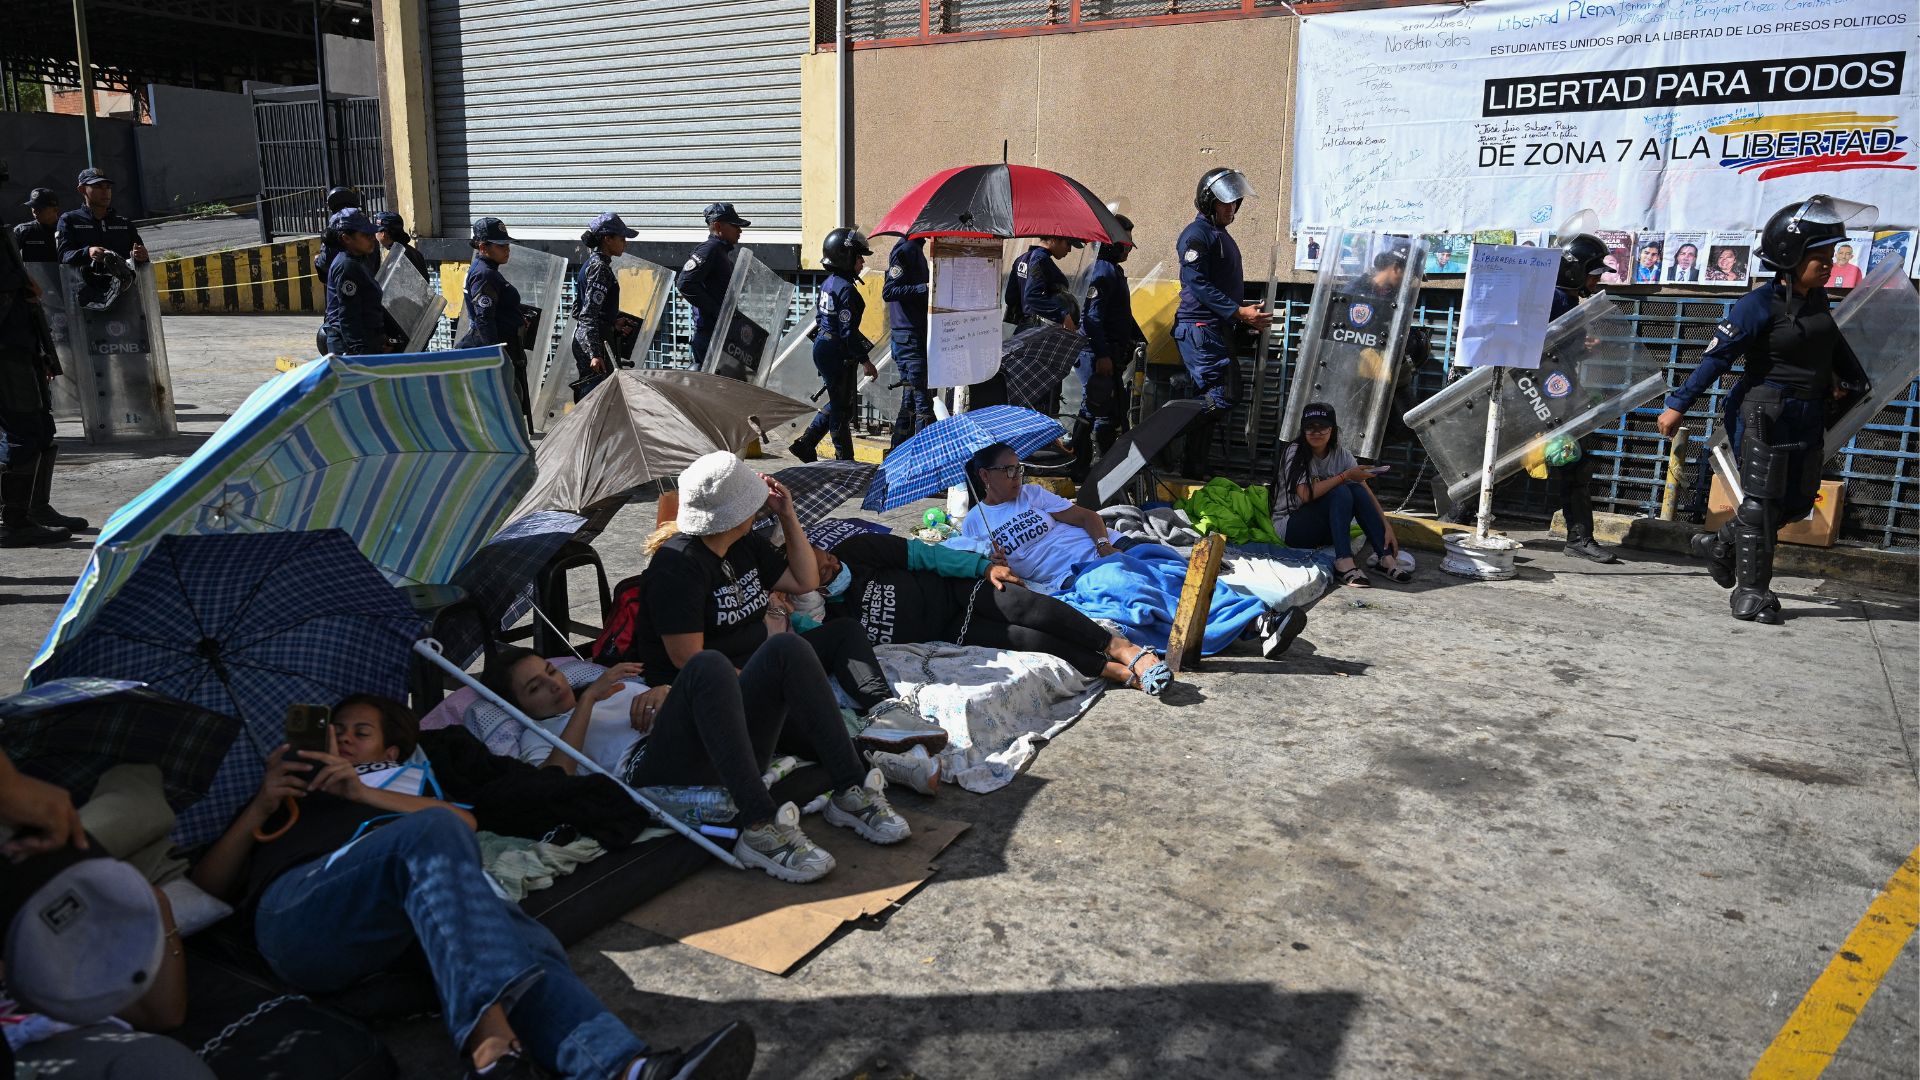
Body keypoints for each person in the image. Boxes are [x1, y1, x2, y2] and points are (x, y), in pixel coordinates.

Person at [188, 702, 756, 1079]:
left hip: (388, 932)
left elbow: (461, 825)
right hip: (301, 912)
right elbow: (206, 888)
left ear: (389, 753)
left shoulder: (400, 789)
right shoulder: (285, 795)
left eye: (360, 732)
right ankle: (489, 1049)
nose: (342, 739)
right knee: (472, 888)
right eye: (333, 731)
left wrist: (361, 793)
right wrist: (262, 804)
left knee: (517, 939)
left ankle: (625, 1068)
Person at [485, 645, 910, 884]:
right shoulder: (535, 735)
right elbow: (556, 779)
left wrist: (666, 691)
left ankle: (851, 790)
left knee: (786, 650)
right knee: (706, 664)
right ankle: (759, 827)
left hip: (717, 749)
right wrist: (588, 701)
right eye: (535, 687)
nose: (554, 684)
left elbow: (691, 704)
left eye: (551, 671)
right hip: (652, 774)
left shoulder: (617, 688)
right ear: (516, 706)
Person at [625, 452, 946, 749]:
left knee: (844, 631)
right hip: (715, 681)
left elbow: (805, 581)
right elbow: (689, 658)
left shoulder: (744, 543)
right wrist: (768, 682)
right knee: (811, 729)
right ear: (735, 515)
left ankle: (884, 710)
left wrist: (788, 515)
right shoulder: (678, 566)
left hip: (761, 660)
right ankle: (868, 751)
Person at [1657, 195, 1874, 624]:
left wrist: (1843, 381)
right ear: (1791, 257)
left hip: (1808, 413)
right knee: (1760, 503)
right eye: (1820, 256)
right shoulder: (1756, 305)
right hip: (1765, 411)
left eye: (1831, 254)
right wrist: (1678, 404)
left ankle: (1719, 545)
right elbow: (1717, 358)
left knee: (1794, 504)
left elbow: (1829, 347)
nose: (1829, 263)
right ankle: (1752, 593)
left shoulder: (1816, 301)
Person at [810, 533, 1169, 691]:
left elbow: (925, 555)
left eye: (828, 556)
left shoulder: (857, 550)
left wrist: (984, 568)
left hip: (954, 590)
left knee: (1025, 608)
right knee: (1027, 641)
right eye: (825, 571)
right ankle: (1107, 669)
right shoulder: (826, 619)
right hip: (949, 631)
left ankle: (1119, 646)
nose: (834, 564)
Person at [1174, 168, 1269, 477]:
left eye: (1235, 203)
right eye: (1225, 203)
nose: (1232, 209)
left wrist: (1242, 315)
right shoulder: (1196, 235)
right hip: (1200, 328)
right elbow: (1197, 282)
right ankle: (1164, 434)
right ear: (1208, 202)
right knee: (1225, 395)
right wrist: (1238, 312)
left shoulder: (1218, 234)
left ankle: (1193, 470)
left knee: (1211, 399)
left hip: (1216, 327)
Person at [0, 223, 83, 547]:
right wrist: (22, 283)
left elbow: (25, 298)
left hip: (23, 347)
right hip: (7, 353)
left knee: (41, 429)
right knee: (23, 433)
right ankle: (14, 521)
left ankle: (34, 509)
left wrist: (42, 351)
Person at [959, 442, 1122, 596]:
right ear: (985, 475)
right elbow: (981, 566)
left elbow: (1086, 517)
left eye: (1018, 468)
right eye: (1008, 470)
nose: (1016, 476)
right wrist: (992, 564)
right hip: (1070, 574)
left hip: (1106, 545)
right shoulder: (974, 522)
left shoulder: (1031, 493)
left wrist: (1103, 545)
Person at [1269, 402, 1401, 588]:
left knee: (1356, 489)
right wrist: (1344, 476)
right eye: (1310, 427)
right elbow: (1306, 495)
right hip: (1293, 528)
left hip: (1325, 530)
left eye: (1322, 427)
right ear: (1303, 430)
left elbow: (1365, 491)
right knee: (1340, 489)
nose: (1316, 433)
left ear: (1332, 429)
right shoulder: (1295, 451)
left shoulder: (1342, 454)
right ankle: (1343, 562)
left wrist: (1386, 526)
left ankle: (1385, 557)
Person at [792, 228, 877, 463]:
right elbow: (848, 332)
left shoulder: (829, 283)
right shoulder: (847, 290)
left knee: (839, 402)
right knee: (841, 411)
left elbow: (820, 319)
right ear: (845, 258)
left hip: (825, 346)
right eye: (859, 258)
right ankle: (844, 461)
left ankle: (806, 443)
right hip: (836, 351)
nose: (862, 263)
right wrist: (865, 361)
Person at [1072, 215, 1143, 479]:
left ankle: (1089, 468)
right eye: (1125, 242)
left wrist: (1136, 337)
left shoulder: (1111, 270)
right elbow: (1091, 318)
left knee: (1102, 409)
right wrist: (1102, 354)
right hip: (1095, 353)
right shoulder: (1102, 270)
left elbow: (1120, 313)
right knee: (1099, 409)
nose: (1128, 248)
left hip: (1105, 351)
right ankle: (1091, 470)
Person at [457, 216, 534, 433]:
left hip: (506, 343)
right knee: (505, 403)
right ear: (483, 247)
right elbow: (484, 319)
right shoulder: (484, 274)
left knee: (512, 399)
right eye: (501, 245)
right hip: (496, 345)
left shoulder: (488, 270)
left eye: (507, 244)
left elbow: (496, 308)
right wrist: (495, 357)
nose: (507, 249)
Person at [572, 212, 639, 400]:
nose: (625, 243)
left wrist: (612, 323)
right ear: (607, 239)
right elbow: (587, 315)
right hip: (595, 343)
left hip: (594, 337)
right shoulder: (599, 267)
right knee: (596, 400)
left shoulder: (593, 263)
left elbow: (578, 309)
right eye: (622, 238)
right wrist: (595, 353)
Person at [676, 203, 748, 367]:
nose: (740, 231)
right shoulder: (709, 249)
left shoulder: (721, 251)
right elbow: (685, 283)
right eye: (735, 226)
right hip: (709, 335)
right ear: (718, 226)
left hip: (721, 332)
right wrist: (717, 311)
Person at [881, 236, 934, 448]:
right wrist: (924, 288)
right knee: (922, 402)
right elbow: (889, 291)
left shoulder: (914, 249)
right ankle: (923, 455)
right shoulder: (906, 250)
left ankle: (897, 449)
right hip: (909, 336)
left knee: (910, 399)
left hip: (911, 334)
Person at [320, 209, 387, 357]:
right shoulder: (347, 266)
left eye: (372, 234)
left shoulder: (359, 260)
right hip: (350, 346)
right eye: (365, 235)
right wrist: (359, 352)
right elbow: (348, 314)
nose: (372, 238)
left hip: (364, 340)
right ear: (346, 238)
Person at [55, 168, 147, 269]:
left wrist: (141, 256)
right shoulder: (69, 220)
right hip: (86, 279)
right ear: (82, 189)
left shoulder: (124, 223)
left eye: (108, 187)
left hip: (124, 279)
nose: (105, 191)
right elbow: (63, 256)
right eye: (97, 186)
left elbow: (143, 262)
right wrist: (88, 252)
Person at [1004, 236, 1079, 330]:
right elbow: (1032, 296)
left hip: (1023, 325)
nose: (1069, 250)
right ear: (1054, 239)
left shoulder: (1021, 259)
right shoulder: (1041, 259)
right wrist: (1063, 314)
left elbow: (1010, 298)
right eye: (1068, 243)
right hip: (1038, 327)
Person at [374, 210, 430, 280]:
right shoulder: (409, 252)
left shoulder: (399, 257)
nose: (374, 234)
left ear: (384, 234)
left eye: (376, 231)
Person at [12, 189, 60, 264]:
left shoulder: (66, 229)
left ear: (55, 209)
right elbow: (6, 255)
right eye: (33, 206)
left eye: (41, 208)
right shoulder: (23, 231)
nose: (35, 211)